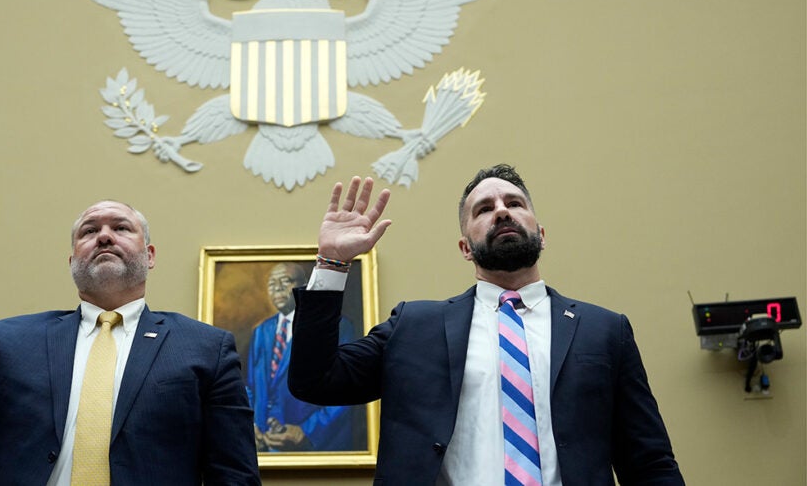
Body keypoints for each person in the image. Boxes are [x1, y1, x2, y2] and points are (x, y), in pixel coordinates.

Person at [287, 166, 684, 485]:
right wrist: (332, 264)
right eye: (484, 209)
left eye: (514, 202)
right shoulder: (414, 327)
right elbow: (315, 380)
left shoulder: (604, 331)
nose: (501, 210)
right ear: (465, 247)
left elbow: (649, 461)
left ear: (541, 235)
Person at [0, 201, 260, 485]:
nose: (104, 236)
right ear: (72, 261)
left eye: (121, 228)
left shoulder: (205, 348)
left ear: (149, 257)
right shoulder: (12, 341)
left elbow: (234, 474)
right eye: (88, 231)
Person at [245, 262, 356, 452]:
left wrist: (306, 431)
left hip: (313, 447)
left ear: (304, 286)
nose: (277, 288)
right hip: (264, 446)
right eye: (271, 284)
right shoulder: (261, 331)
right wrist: (251, 424)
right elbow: (251, 386)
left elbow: (348, 389)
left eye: (285, 281)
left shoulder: (335, 326)